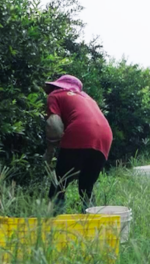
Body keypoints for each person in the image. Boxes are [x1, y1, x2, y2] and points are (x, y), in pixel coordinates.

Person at [43, 74, 113, 214]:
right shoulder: (89, 99)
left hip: (80, 132)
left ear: (58, 86)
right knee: (87, 187)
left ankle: (54, 224)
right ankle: (90, 224)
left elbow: (54, 126)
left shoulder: (55, 95)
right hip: (105, 137)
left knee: (59, 183)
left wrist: (50, 152)